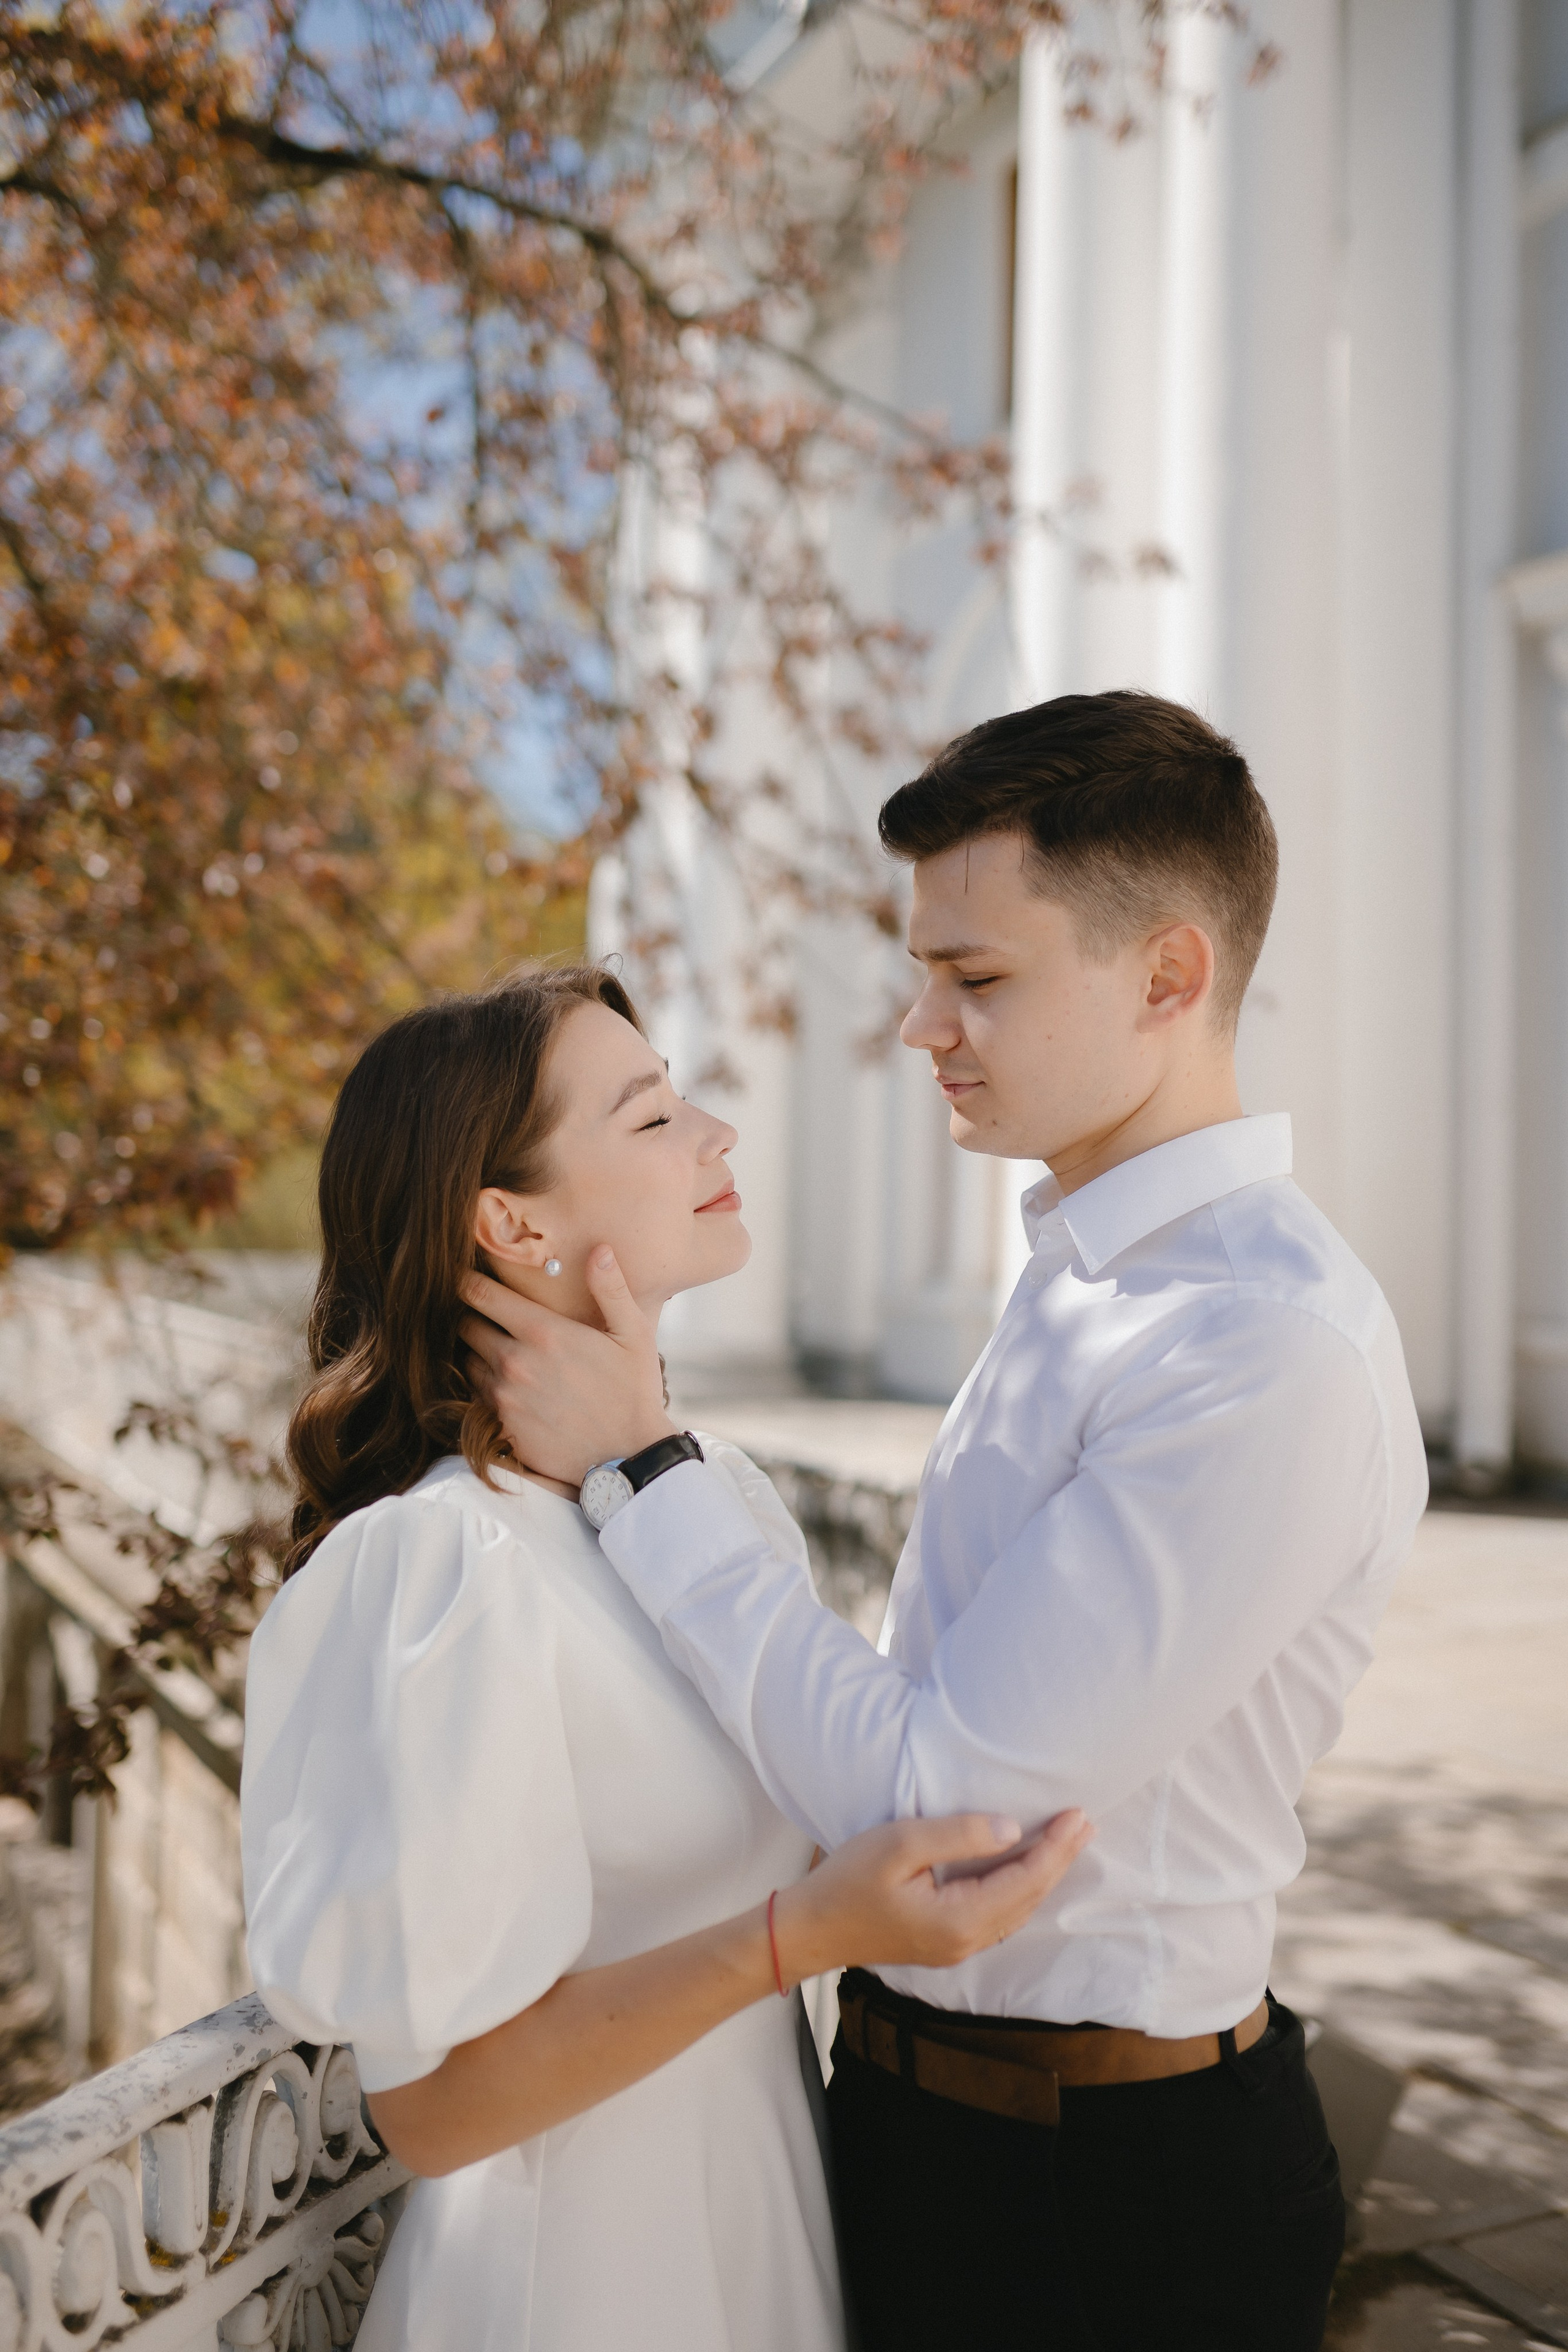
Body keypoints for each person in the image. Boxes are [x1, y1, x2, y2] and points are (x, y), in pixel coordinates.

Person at [461, 692, 1430, 2352]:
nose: (921, 1025)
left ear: (1167, 976)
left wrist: (647, 1469)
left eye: (975, 978)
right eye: (926, 970)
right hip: (920, 2117)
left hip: (1109, 2200)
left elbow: (947, 1813)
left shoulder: (1254, 1342)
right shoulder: (1082, 1270)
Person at [240, 963, 1093, 2352]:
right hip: (577, 2277)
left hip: (760, 2224)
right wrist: (799, 1937)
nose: (716, 1136)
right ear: (508, 1222)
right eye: (649, 1119)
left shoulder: (708, 1502)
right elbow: (434, 2109)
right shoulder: (442, 1564)